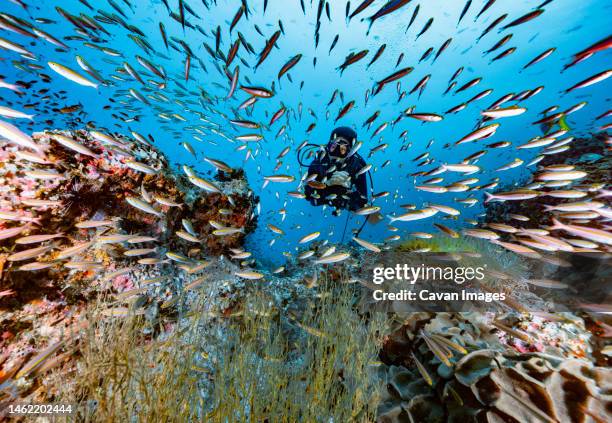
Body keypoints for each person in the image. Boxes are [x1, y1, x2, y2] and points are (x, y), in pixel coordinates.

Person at [304, 127, 369, 216]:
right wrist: (326, 187)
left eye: (343, 149)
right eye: (333, 147)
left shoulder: (356, 166)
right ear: (328, 146)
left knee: (360, 207)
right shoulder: (319, 163)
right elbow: (309, 196)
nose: (336, 153)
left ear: (350, 150)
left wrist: (347, 191)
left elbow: (363, 200)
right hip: (323, 198)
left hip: (347, 200)